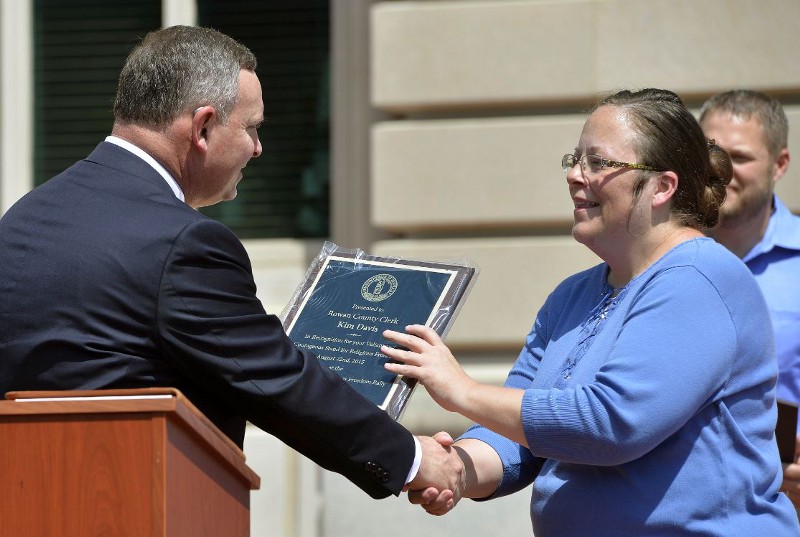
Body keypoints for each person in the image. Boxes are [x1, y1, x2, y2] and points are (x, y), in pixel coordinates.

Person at [0, 25, 462, 501]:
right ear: (202, 127)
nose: (258, 149)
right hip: (134, 503)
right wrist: (412, 459)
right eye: (251, 128)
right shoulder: (183, 242)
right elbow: (272, 378)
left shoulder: (23, 219)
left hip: (26, 501)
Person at [381, 88, 800, 535]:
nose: (575, 176)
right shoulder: (571, 295)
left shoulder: (701, 279)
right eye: (575, 159)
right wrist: (454, 469)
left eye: (598, 163)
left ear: (662, 186)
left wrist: (460, 390)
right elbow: (516, 437)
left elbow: (611, 423)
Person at [698, 90, 800, 507]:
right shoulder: (654, 256)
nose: (721, 171)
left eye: (739, 158)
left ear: (780, 165)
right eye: (710, 153)